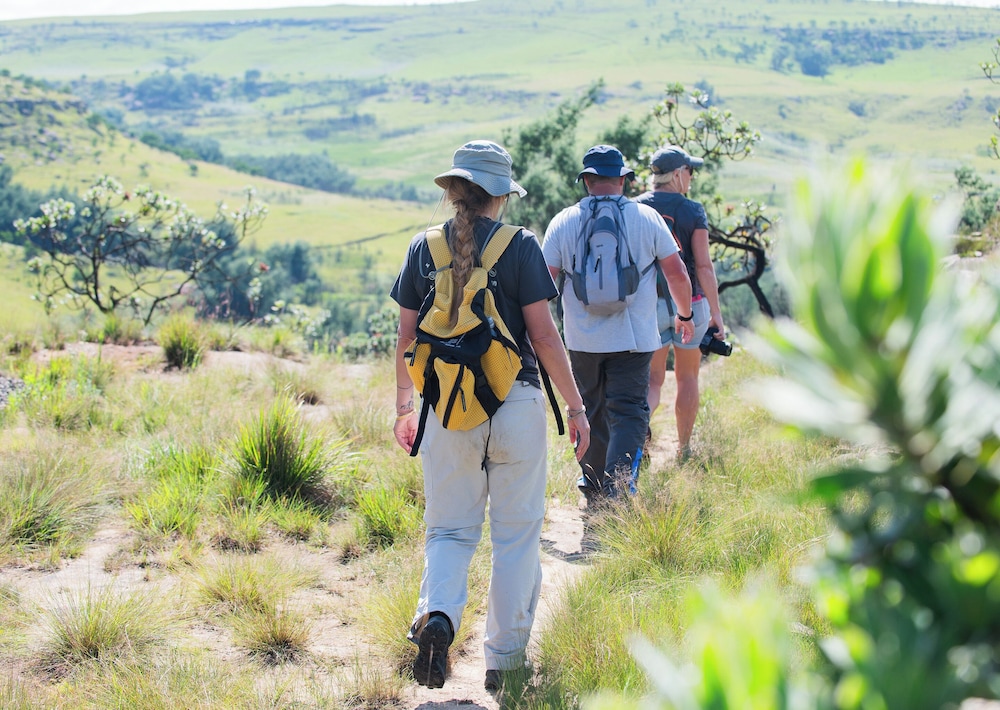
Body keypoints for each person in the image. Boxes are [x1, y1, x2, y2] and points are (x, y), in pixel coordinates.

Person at [390, 140, 591, 693]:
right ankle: (505, 662)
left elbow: (406, 338)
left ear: (454, 190)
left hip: (446, 408)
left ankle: (439, 616)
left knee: (449, 530)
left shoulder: (423, 247)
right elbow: (544, 337)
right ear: (501, 195)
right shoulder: (519, 245)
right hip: (516, 403)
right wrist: (575, 406)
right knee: (516, 537)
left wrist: (406, 406)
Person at [542, 144, 693, 507]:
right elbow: (677, 272)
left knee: (590, 410)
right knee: (629, 413)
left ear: (587, 181)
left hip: (581, 340)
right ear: (623, 180)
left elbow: (543, 282)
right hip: (635, 338)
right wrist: (685, 314)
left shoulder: (563, 221)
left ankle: (594, 486)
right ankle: (620, 489)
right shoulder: (646, 217)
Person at [635, 145, 726, 462]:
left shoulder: (636, 207)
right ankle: (683, 450)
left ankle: (637, 440)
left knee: (652, 380)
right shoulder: (692, 210)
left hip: (649, 306)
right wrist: (716, 314)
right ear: (676, 174)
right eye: (690, 171)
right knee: (688, 378)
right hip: (691, 304)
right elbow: (703, 266)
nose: (691, 177)